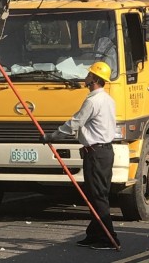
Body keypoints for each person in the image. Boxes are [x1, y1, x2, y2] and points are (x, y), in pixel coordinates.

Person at [43, 61, 120, 250]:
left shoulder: (93, 100)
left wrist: (52, 136)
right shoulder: (107, 99)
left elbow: (75, 123)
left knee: (98, 196)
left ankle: (109, 238)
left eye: (89, 74)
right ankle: (94, 234)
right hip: (103, 152)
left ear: (94, 78)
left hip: (96, 153)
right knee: (95, 195)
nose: (86, 76)